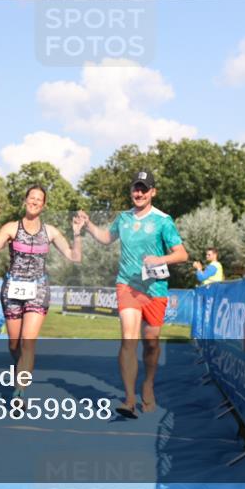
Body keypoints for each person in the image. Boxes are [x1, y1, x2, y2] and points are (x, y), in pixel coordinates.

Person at [79, 170, 188, 419]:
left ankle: (148, 382)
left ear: (153, 192)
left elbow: (182, 254)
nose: (138, 193)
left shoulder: (163, 220)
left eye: (144, 189)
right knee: (128, 338)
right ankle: (128, 399)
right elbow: (107, 238)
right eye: (135, 189)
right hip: (127, 285)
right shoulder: (123, 218)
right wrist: (88, 225)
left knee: (151, 343)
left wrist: (161, 258)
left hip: (155, 290)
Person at [0, 187, 85, 402]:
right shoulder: (11, 228)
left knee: (28, 342)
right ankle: (20, 369)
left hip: (38, 289)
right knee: (14, 344)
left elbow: (74, 257)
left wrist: (77, 233)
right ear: (25, 200)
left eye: (39, 200)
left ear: (43, 205)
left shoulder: (51, 232)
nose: (35, 202)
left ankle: (20, 390)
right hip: (12, 289)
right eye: (32, 198)